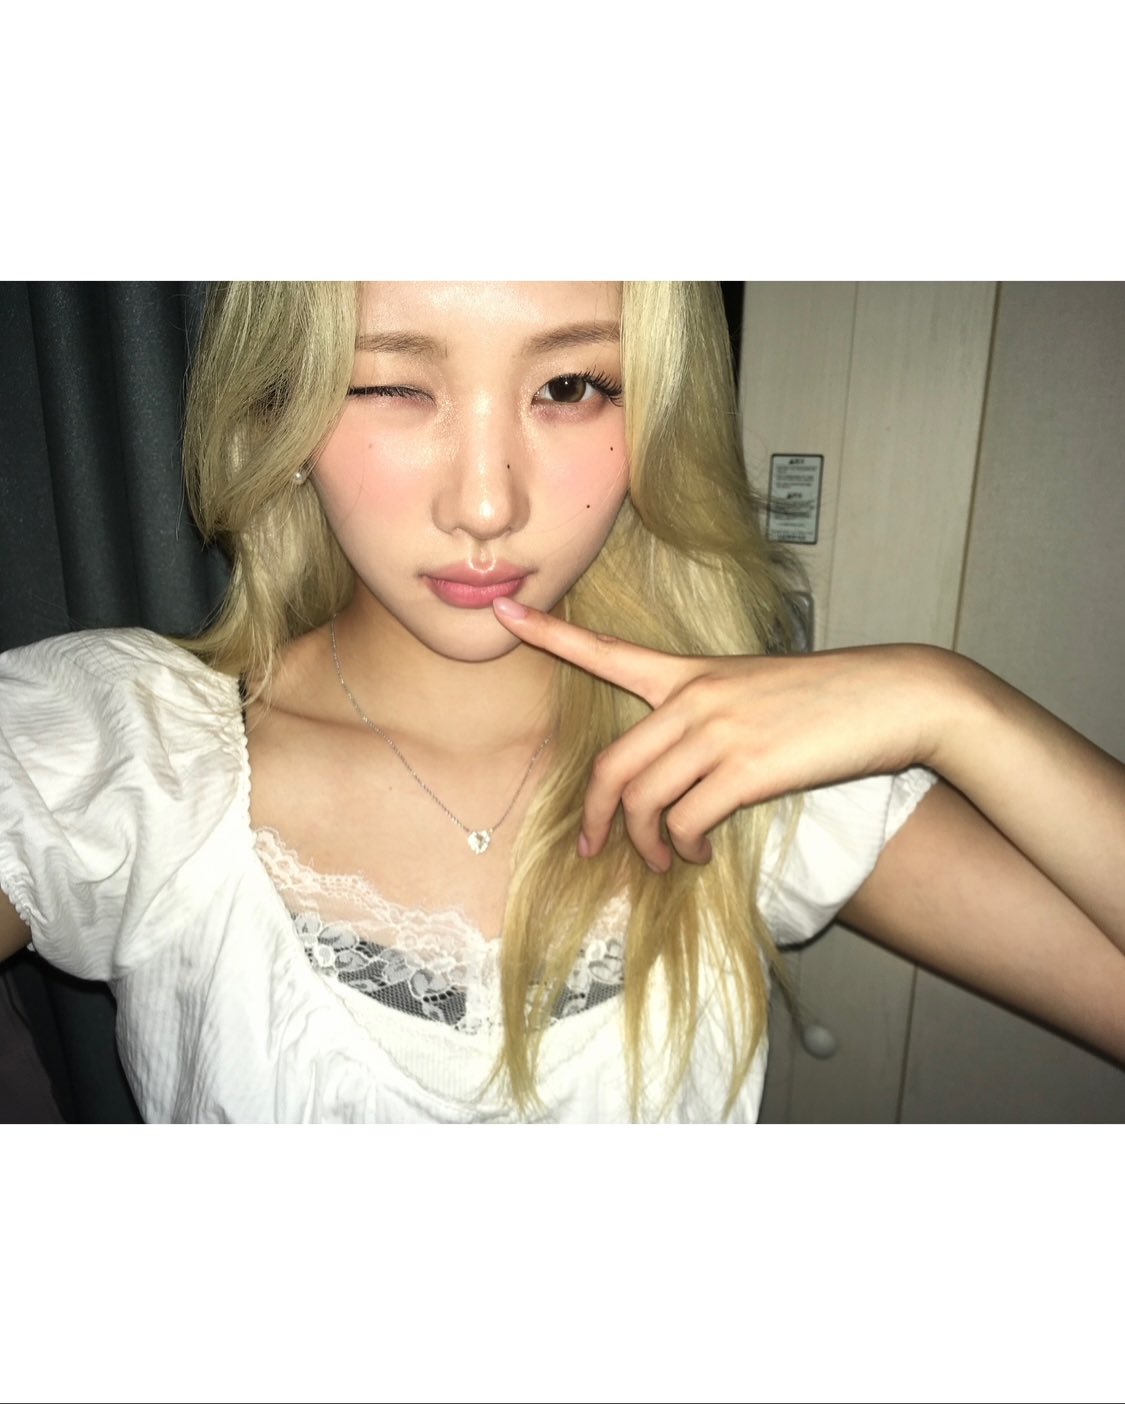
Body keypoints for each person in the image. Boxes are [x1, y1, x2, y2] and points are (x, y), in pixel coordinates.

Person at [0, 280, 1122, 1123]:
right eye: (393, 384)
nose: (487, 504)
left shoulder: (729, 767)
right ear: (285, 412)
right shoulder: (130, 757)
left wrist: (951, 703)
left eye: (571, 388)